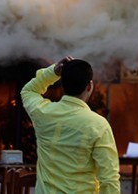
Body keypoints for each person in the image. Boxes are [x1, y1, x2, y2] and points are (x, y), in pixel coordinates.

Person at [21, 56, 120, 193]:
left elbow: (29, 91)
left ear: (62, 84)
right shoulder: (98, 125)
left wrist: (53, 72)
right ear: (89, 86)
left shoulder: (44, 113)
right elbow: (109, 178)